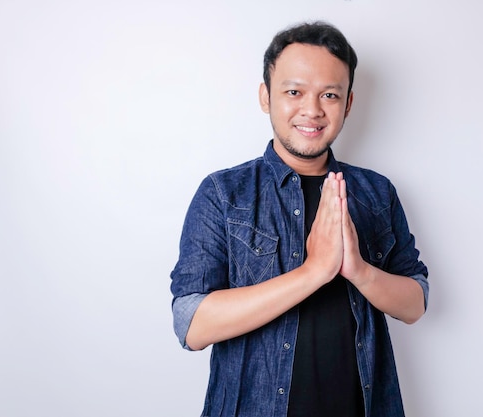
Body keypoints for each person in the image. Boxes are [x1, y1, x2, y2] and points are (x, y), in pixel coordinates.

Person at [170, 21, 429, 417]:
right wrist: (313, 272)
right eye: (294, 92)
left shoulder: (376, 193)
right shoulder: (224, 193)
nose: (312, 110)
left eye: (330, 94)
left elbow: (415, 303)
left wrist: (358, 270)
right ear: (265, 96)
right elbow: (191, 325)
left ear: (349, 103)